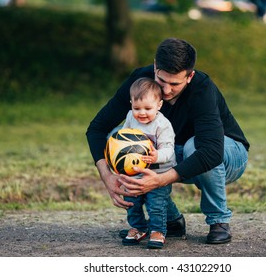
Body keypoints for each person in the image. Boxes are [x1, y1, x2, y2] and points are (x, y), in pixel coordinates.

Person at [86, 38, 249, 244]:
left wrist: (161, 179)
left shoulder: (202, 89)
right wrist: (107, 176)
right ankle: (169, 221)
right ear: (155, 66)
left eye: (175, 84)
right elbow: (97, 128)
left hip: (227, 155)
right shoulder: (141, 81)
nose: (166, 90)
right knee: (120, 139)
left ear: (190, 76)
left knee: (194, 145)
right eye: (161, 80)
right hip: (172, 152)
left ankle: (218, 220)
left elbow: (212, 152)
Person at [120, 77, 176, 249]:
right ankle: (138, 227)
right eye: (137, 108)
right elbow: (123, 138)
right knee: (131, 199)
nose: (141, 113)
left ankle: (158, 231)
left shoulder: (163, 125)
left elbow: (169, 149)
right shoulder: (131, 117)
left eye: (148, 108)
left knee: (156, 203)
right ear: (131, 104)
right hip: (135, 170)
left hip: (159, 172)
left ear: (159, 105)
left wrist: (156, 156)